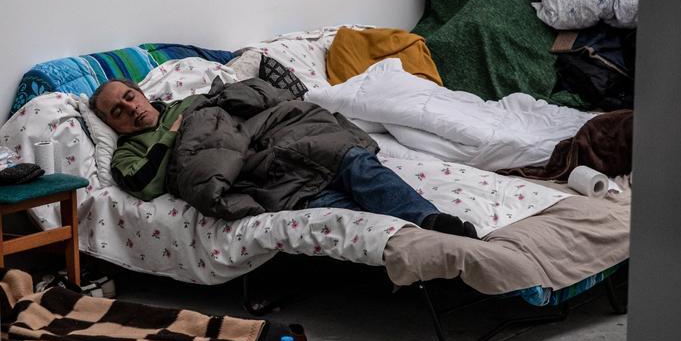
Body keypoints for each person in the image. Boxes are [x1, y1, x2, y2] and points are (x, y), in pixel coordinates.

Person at [90, 78, 477, 237]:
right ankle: (416, 241)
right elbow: (144, 186)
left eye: (129, 98)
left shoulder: (190, 103)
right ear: (112, 124)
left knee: (350, 159)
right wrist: (171, 139)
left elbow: (264, 104)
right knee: (332, 204)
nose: (130, 109)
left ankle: (431, 222)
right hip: (255, 175)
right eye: (117, 113)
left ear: (140, 92)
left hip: (282, 141)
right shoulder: (129, 152)